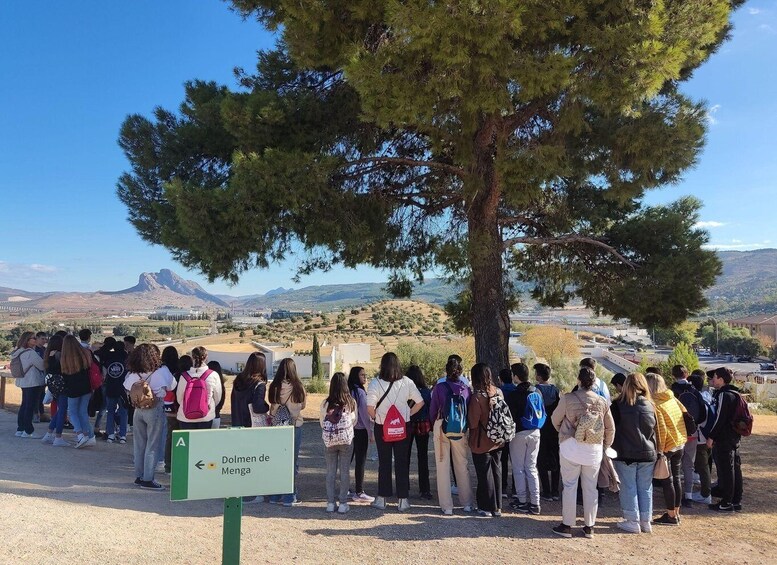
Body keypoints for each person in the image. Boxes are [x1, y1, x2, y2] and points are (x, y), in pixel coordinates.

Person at [551, 367, 614, 538]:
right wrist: (605, 445)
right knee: (591, 488)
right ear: (594, 382)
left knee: (570, 486)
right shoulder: (602, 401)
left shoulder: (568, 398)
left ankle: (567, 525)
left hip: (571, 446)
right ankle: (589, 526)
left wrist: (564, 433)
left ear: (578, 380)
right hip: (593, 449)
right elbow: (610, 428)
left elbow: (555, 419)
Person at [366, 352, 424, 512]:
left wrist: (377, 418)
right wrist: (407, 415)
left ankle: (382, 498)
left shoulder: (375, 383)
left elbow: (370, 407)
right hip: (402, 426)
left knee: (384, 462)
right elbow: (420, 402)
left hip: (382, 426)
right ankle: (403, 500)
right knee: (401, 462)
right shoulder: (407, 382)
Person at [610, 373, 657, 534]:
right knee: (645, 487)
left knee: (628, 486)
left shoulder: (617, 404)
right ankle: (646, 521)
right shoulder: (650, 404)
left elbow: (611, 428)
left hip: (625, 452)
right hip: (648, 452)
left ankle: (632, 520)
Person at [124, 343, 175, 489]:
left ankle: (139, 476)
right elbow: (172, 385)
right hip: (155, 408)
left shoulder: (133, 374)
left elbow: (127, 388)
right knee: (152, 445)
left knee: (139, 444)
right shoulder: (162, 371)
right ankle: (148, 479)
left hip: (138, 410)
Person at [429, 357, 474, 515]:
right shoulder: (466, 389)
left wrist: (434, 424)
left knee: (443, 467)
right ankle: (467, 503)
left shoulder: (439, 388)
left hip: (442, 427)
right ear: (461, 371)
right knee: (462, 465)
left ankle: (447, 506)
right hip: (460, 429)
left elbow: (433, 410)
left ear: (446, 370)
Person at [645, 372, 687, 526]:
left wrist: (660, 450)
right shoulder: (671, 398)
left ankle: (670, 515)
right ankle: (675, 512)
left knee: (667, 481)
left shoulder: (655, 403)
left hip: (668, 445)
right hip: (680, 441)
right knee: (676, 478)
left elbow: (661, 429)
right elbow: (684, 414)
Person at [268, 358, 307, 506]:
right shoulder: (298, 387)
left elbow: (271, 405)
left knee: (278, 460)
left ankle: (274, 495)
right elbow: (303, 405)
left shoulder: (275, 386)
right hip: (294, 425)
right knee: (292, 461)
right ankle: (290, 496)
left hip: (277, 427)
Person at [506, 362, 544, 515]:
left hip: (520, 433)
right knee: (531, 467)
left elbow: (511, 416)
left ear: (515, 376)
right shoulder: (537, 391)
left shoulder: (514, 394)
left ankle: (522, 500)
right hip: (536, 431)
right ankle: (535, 503)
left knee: (518, 468)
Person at [467, 363, 504, 517]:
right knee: (496, 471)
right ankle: (498, 507)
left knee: (484, 474)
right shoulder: (498, 392)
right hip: (498, 438)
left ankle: (485, 506)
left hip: (481, 441)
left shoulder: (477, 398)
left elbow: (473, 422)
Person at [706, 366, 745, 512]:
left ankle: (726, 502)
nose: (713, 380)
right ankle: (736, 500)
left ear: (721, 380)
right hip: (734, 436)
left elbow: (720, 418)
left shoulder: (724, 395)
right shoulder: (735, 393)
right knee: (735, 468)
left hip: (724, 438)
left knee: (726, 470)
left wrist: (711, 436)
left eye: (715, 377)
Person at [320, 372, 358, 513]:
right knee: (344, 471)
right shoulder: (351, 402)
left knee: (330, 471)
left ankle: (330, 503)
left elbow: (321, 422)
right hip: (346, 441)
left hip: (329, 441)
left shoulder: (325, 403)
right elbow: (355, 421)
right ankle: (343, 503)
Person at [670, 364, 704, 507]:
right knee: (688, 464)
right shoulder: (695, 391)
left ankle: (673, 495)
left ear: (673, 375)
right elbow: (702, 412)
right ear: (687, 373)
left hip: (675, 432)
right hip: (692, 432)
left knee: (673, 464)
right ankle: (688, 496)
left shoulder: (671, 392)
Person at [60, 335, 96, 448]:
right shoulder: (85, 354)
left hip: (72, 388)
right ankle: (89, 436)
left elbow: (63, 375)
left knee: (72, 413)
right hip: (86, 387)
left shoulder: (64, 358)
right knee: (82, 412)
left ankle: (80, 435)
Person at [175, 346, 222, 429]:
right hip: (206, 416)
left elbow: (179, 398)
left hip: (185, 417)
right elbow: (217, 397)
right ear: (206, 357)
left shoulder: (184, 376)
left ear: (192, 357)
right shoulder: (213, 375)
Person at [347, 366, 375, 503]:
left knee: (347, 460)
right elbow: (364, 415)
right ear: (356, 376)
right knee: (360, 462)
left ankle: (345, 488)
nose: (365, 377)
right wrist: (370, 432)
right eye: (362, 375)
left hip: (348, 430)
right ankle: (359, 491)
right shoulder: (360, 393)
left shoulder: (348, 391)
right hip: (360, 430)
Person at [11, 332, 46, 438]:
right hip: (33, 381)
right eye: (33, 338)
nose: (35, 340)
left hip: (23, 381)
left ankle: (20, 429)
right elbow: (42, 365)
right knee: (30, 406)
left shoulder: (17, 352)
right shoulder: (30, 352)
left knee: (24, 405)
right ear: (27, 340)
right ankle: (28, 430)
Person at [406, 364, 433, 500]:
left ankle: (404, 486)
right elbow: (430, 408)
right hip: (423, 425)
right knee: (423, 458)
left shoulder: (405, 391)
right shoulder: (426, 392)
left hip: (408, 425)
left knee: (405, 457)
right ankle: (425, 489)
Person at [535, 363, 560, 501]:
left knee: (541, 459)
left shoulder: (535, 390)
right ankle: (556, 490)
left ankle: (546, 491)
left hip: (541, 427)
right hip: (554, 429)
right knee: (556, 458)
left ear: (538, 376)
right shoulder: (555, 390)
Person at [41, 335, 69, 446]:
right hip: (63, 385)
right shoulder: (59, 355)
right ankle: (58, 436)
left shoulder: (48, 355)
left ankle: (49, 434)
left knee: (60, 410)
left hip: (54, 386)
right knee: (62, 410)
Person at [689, 370, 713, 504]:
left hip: (700, 436)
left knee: (702, 465)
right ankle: (705, 490)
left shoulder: (695, 399)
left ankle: (705, 494)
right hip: (709, 434)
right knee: (705, 465)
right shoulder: (707, 396)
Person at [231, 352, 270, 428]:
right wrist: (266, 406)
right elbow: (258, 408)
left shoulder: (238, 380)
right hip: (251, 425)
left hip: (237, 423)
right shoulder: (259, 384)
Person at [101, 338, 129, 444]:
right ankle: (122, 435)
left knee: (110, 412)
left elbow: (104, 373)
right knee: (123, 412)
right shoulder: (127, 359)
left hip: (110, 388)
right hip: (123, 390)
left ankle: (110, 435)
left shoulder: (109, 358)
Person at [161, 346, 180, 473]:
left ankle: (167, 465)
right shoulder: (180, 369)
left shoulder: (162, 369)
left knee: (168, 435)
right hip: (179, 406)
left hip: (166, 404)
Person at [498, 368, 517, 496]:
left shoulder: (500, 392)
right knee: (516, 460)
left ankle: (503, 487)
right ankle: (516, 488)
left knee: (503, 459)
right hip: (517, 428)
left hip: (503, 429)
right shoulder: (517, 390)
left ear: (500, 379)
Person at [34, 331, 49, 423]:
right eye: (42, 339)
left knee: (42, 396)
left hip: (43, 377)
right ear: (37, 338)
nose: (44, 341)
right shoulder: (33, 350)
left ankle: (42, 414)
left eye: (45, 339)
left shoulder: (45, 350)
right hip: (34, 377)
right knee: (35, 397)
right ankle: (35, 414)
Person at [208, 360, 227, 428]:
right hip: (216, 415)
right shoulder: (221, 385)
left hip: (205, 416)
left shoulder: (205, 383)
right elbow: (221, 402)